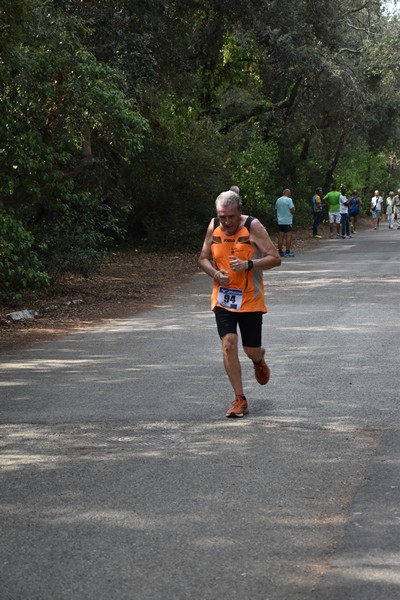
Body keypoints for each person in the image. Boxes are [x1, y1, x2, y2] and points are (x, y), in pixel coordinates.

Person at [198, 189, 281, 418]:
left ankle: (258, 358)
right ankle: (239, 398)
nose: (226, 222)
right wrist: (215, 274)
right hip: (223, 298)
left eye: (231, 216)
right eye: (222, 216)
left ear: (240, 212)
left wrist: (249, 265)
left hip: (249, 298)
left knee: (250, 349)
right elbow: (203, 258)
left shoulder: (253, 226)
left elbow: (275, 258)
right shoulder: (213, 226)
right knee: (228, 343)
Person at [275, 188, 295, 257]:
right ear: (288, 193)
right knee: (288, 236)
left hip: (280, 221)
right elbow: (292, 210)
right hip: (287, 220)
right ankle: (287, 251)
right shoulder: (289, 200)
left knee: (281, 236)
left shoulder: (278, 200)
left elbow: (276, 209)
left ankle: (280, 251)